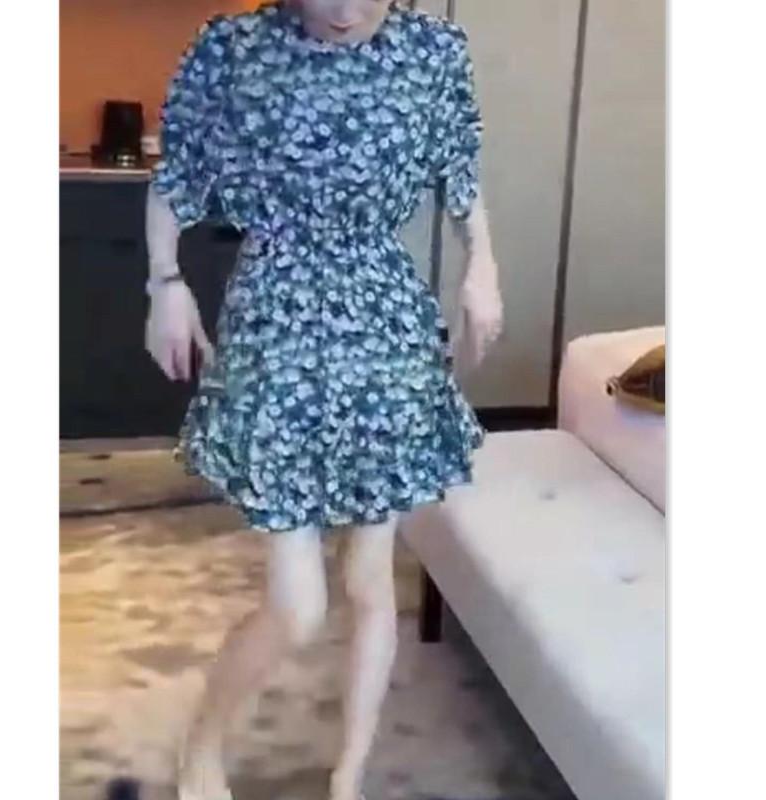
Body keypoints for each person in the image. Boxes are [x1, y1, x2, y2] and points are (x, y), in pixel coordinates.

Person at [143, 1, 504, 799]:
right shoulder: (234, 48)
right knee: (298, 604)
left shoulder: (433, 51)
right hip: (276, 315)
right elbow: (175, 178)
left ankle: (348, 775)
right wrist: (164, 282)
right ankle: (203, 746)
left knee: (372, 581)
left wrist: (482, 264)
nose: (342, 11)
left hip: (385, 319)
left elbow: (461, 168)